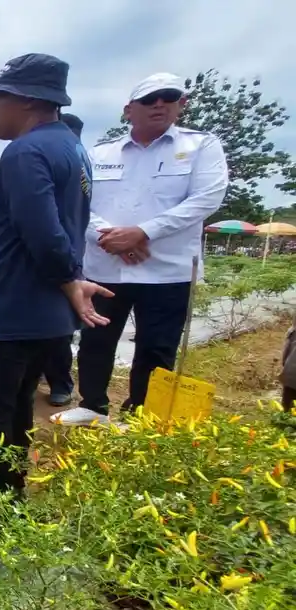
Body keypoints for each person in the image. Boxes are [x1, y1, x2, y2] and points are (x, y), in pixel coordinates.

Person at [0, 53, 112, 497]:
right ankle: (10, 496)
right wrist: (70, 280)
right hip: (42, 315)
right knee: (17, 408)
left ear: (27, 99)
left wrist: (70, 279)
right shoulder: (72, 148)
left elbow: (44, 235)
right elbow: (62, 227)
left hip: (9, 310)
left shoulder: (25, 152)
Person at [51, 73, 229, 427]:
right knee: (96, 340)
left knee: (157, 347)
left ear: (181, 104)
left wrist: (143, 233)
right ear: (128, 110)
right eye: (149, 99)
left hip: (167, 271)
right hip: (105, 266)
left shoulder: (201, 146)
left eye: (168, 97)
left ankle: (140, 415)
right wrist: (109, 237)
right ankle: (93, 406)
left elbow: (206, 198)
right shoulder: (99, 154)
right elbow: (77, 203)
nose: (159, 104)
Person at [40, 112, 87, 407]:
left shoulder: (78, 164)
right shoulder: (55, 162)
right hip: (48, 257)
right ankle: (40, 375)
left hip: (63, 256)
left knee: (59, 326)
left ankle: (60, 381)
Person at [283, 315, 296, 413]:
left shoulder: (292, 331)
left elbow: (285, 353)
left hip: (290, 372)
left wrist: (284, 366)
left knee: (287, 404)